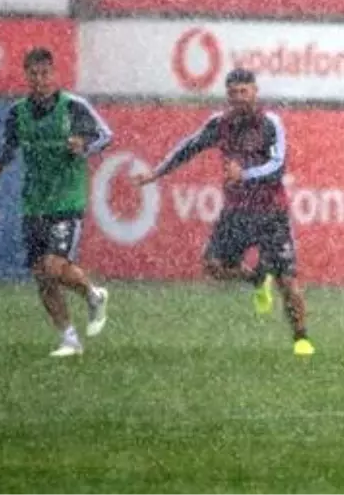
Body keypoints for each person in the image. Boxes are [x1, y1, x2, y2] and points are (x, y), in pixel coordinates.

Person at [129, 69, 314, 357]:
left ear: (255, 91)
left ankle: (301, 339)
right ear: (227, 96)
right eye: (233, 93)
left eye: (244, 91)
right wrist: (157, 173)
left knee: (287, 280)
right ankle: (254, 279)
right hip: (236, 212)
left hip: (271, 213)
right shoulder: (220, 124)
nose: (239, 98)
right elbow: (188, 147)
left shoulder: (270, 123)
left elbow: (278, 166)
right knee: (213, 267)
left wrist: (246, 173)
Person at [0, 47, 112, 357]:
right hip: (34, 201)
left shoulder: (73, 106)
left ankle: (94, 295)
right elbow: (9, 145)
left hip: (67, 197)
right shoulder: (18, 112)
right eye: (33, 74)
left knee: (54, 266)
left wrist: (83, 145)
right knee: (42, 275)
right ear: (26, 76)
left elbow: (106, 135)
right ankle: (69, 339)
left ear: (54, 74)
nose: (40, 80)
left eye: (45, 73)